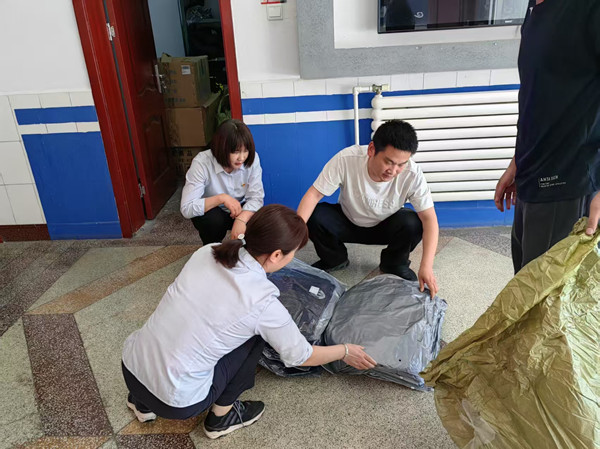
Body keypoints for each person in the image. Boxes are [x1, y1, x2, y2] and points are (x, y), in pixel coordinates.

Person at [121, 204, 376, 439]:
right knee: (255, 337)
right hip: (176, 401)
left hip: (131, 368)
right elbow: (299, 356)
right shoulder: (262, 302)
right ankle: (221, 418)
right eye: (292, 254)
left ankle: (141, 404)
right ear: (276, 255)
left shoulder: (207, 251)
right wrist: (344, 351)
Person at [494, 0, 600, 274]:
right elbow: (537, 97)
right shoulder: (535, 8)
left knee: (545, 292)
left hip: (568, 179)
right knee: (525, 280)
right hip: (531, 174)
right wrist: (517, 161)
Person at [297, 119, 440, 297]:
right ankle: (334, 259)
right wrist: (294, 241)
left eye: (401, 164)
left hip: (385, 226)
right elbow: (313, 195)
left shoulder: (413, 174)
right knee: (315, 215)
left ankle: (394, 263)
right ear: (371, 149)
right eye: (388, 162)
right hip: (348, 221)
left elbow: (430, 219)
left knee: (413, 222)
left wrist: (426, 266)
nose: (393, 170)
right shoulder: (346, 159)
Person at [180, 119, 264, 244]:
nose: (241, 158)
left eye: (245, 151)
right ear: (221, 148)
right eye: (236, 152)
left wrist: (241, 219)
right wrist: (221, 198)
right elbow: (187, 208)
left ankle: (246, 249)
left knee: (261, 221)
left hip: (240, 208)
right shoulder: (202, 162)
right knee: (213, 220)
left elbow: (256, 197)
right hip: (213, 211)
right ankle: (211, 247)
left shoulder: (252, 159)